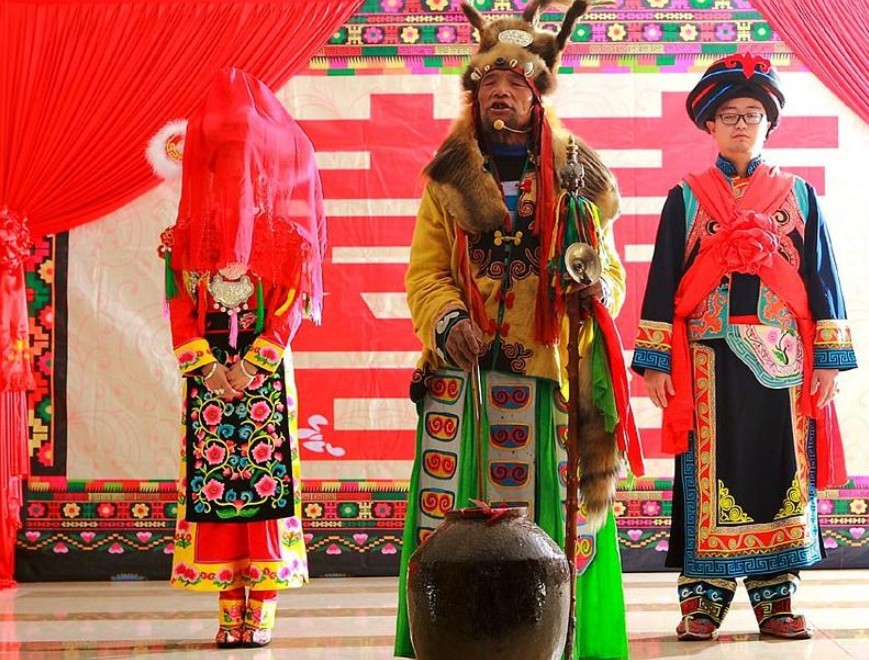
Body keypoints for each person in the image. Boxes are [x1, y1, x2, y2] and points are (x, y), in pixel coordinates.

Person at [395, 1, 642, 658]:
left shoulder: (577, 173)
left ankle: (556, 642)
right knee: (455, 515)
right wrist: (448, 320)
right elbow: (425, 272)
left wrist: (595, 290)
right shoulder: (447, 178)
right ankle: (454, 640)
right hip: (465, 377)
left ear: (536, 95)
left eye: (514, 81)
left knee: (556, 518)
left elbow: (608, 267)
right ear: (473, 96)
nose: (499, 93)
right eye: (488, 82)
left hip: (548, 370)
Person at [631, 53, 857, 641]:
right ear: (709, 124)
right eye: (729, 115)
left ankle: (776, 600)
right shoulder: (686, 198)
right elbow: (662, 281)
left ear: (768, 123)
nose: (740, 124)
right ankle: (702, 602)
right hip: (706, 361)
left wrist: (829, 360)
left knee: (779, 471)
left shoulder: (799, 196)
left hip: (783, 361)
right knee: (706, 476)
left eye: (752, 114)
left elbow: (822, 280)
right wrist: (656, 363)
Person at [161, 68, 326, 648]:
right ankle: (229, 606)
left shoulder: (286, 239)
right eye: (225, 162)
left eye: (247, 162)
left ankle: (263, 608)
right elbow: (179, 308)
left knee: (265, 488)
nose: (237, 175)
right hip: (208, 382)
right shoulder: (184, 242)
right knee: (215, 489)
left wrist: (251, 365)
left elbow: (290, 308)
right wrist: (208, 368)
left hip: (265, 380)